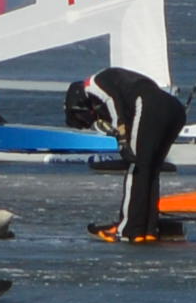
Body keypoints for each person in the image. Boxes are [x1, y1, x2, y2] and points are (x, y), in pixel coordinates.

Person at [67, 61, 185, 240]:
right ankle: (147, 229)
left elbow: (113, 104)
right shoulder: (119, 80)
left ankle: (129, 229)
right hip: (174, 109)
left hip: (148, 104)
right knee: (150, 170)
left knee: (136, 168)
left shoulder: (93, 84)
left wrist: (122, 140)